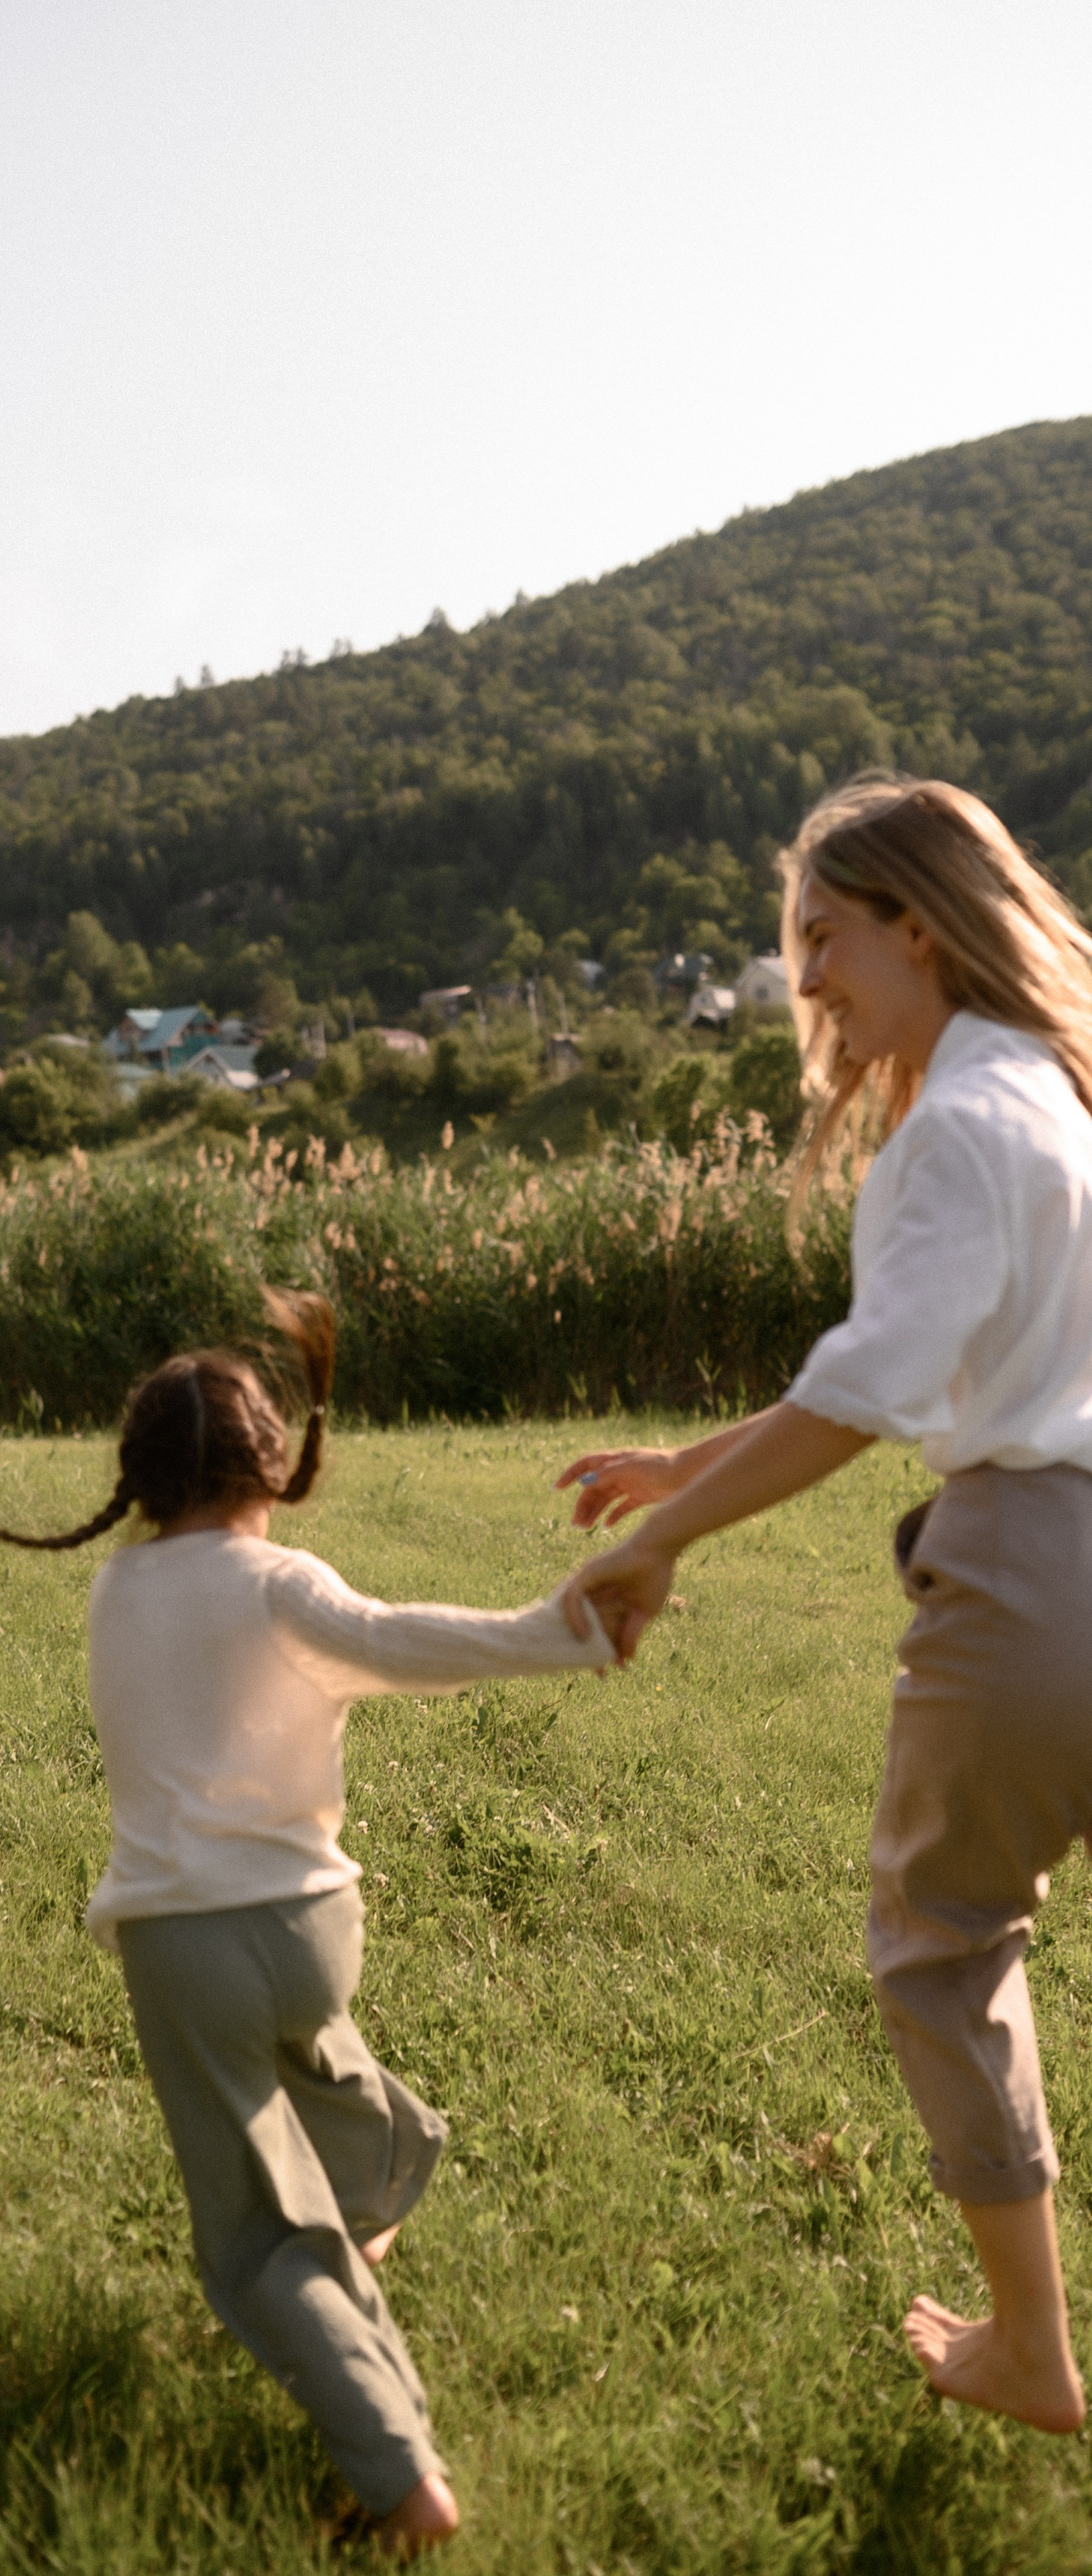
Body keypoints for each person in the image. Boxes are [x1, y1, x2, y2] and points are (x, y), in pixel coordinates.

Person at [0, 1291, 611, 2556]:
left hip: (186, 1948)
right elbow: (405, 1643)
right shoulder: (285, 1585)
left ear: (138, 1482)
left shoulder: (118, 1592)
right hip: (310, 1932)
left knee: (254, 2237)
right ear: (273, 1467)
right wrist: (568, 1630)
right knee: (317, 2067)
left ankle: (402, 2482)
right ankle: (387, 2174)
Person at [558, 772, 1092, 2437]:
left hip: (1028, 1576)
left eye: (820, 936)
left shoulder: (952, 1132)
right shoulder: (1056, 1100)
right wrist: (687, 1458)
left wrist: (662, 1539)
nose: (802, 982)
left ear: (915, 923)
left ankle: (1025, 2348)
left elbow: (869, 1397)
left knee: (939, 1942)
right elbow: (926, 1366)